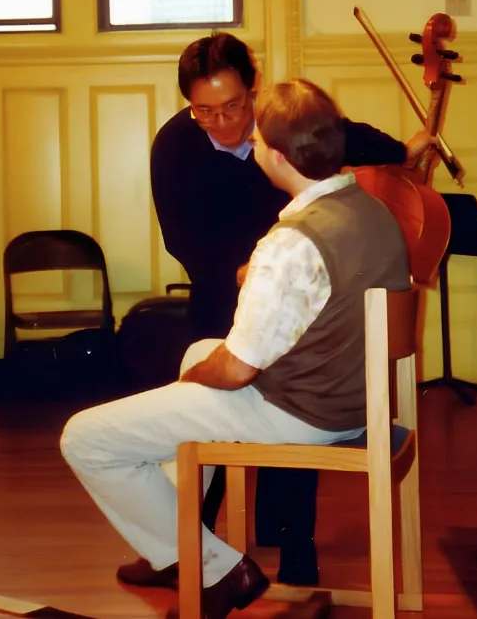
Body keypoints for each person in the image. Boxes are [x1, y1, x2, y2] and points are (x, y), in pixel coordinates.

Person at [62, 79, 411, 618]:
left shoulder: (289, 242)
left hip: (303, 415)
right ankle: (178, 546)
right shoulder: (374, 213)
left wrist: (191, 384)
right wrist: (261, 286)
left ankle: (219, 570)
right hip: (357, 401)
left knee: (85, 438)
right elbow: (329, 288)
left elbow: (236, 369)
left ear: (271, 154)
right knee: (196, 350)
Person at [149, 32, 433, 583]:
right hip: (221, 287)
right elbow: (180, 238)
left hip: (294, 285)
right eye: (205, 113)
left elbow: (340, 136)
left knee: (298, 383)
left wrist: (402, 150)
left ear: (252, 91)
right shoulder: (174, 146)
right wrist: (240, 275)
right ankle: (193, 540)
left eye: (234, 107)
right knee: (213, 391)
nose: (226, 124)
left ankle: (293, 541)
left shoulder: (280, 131)